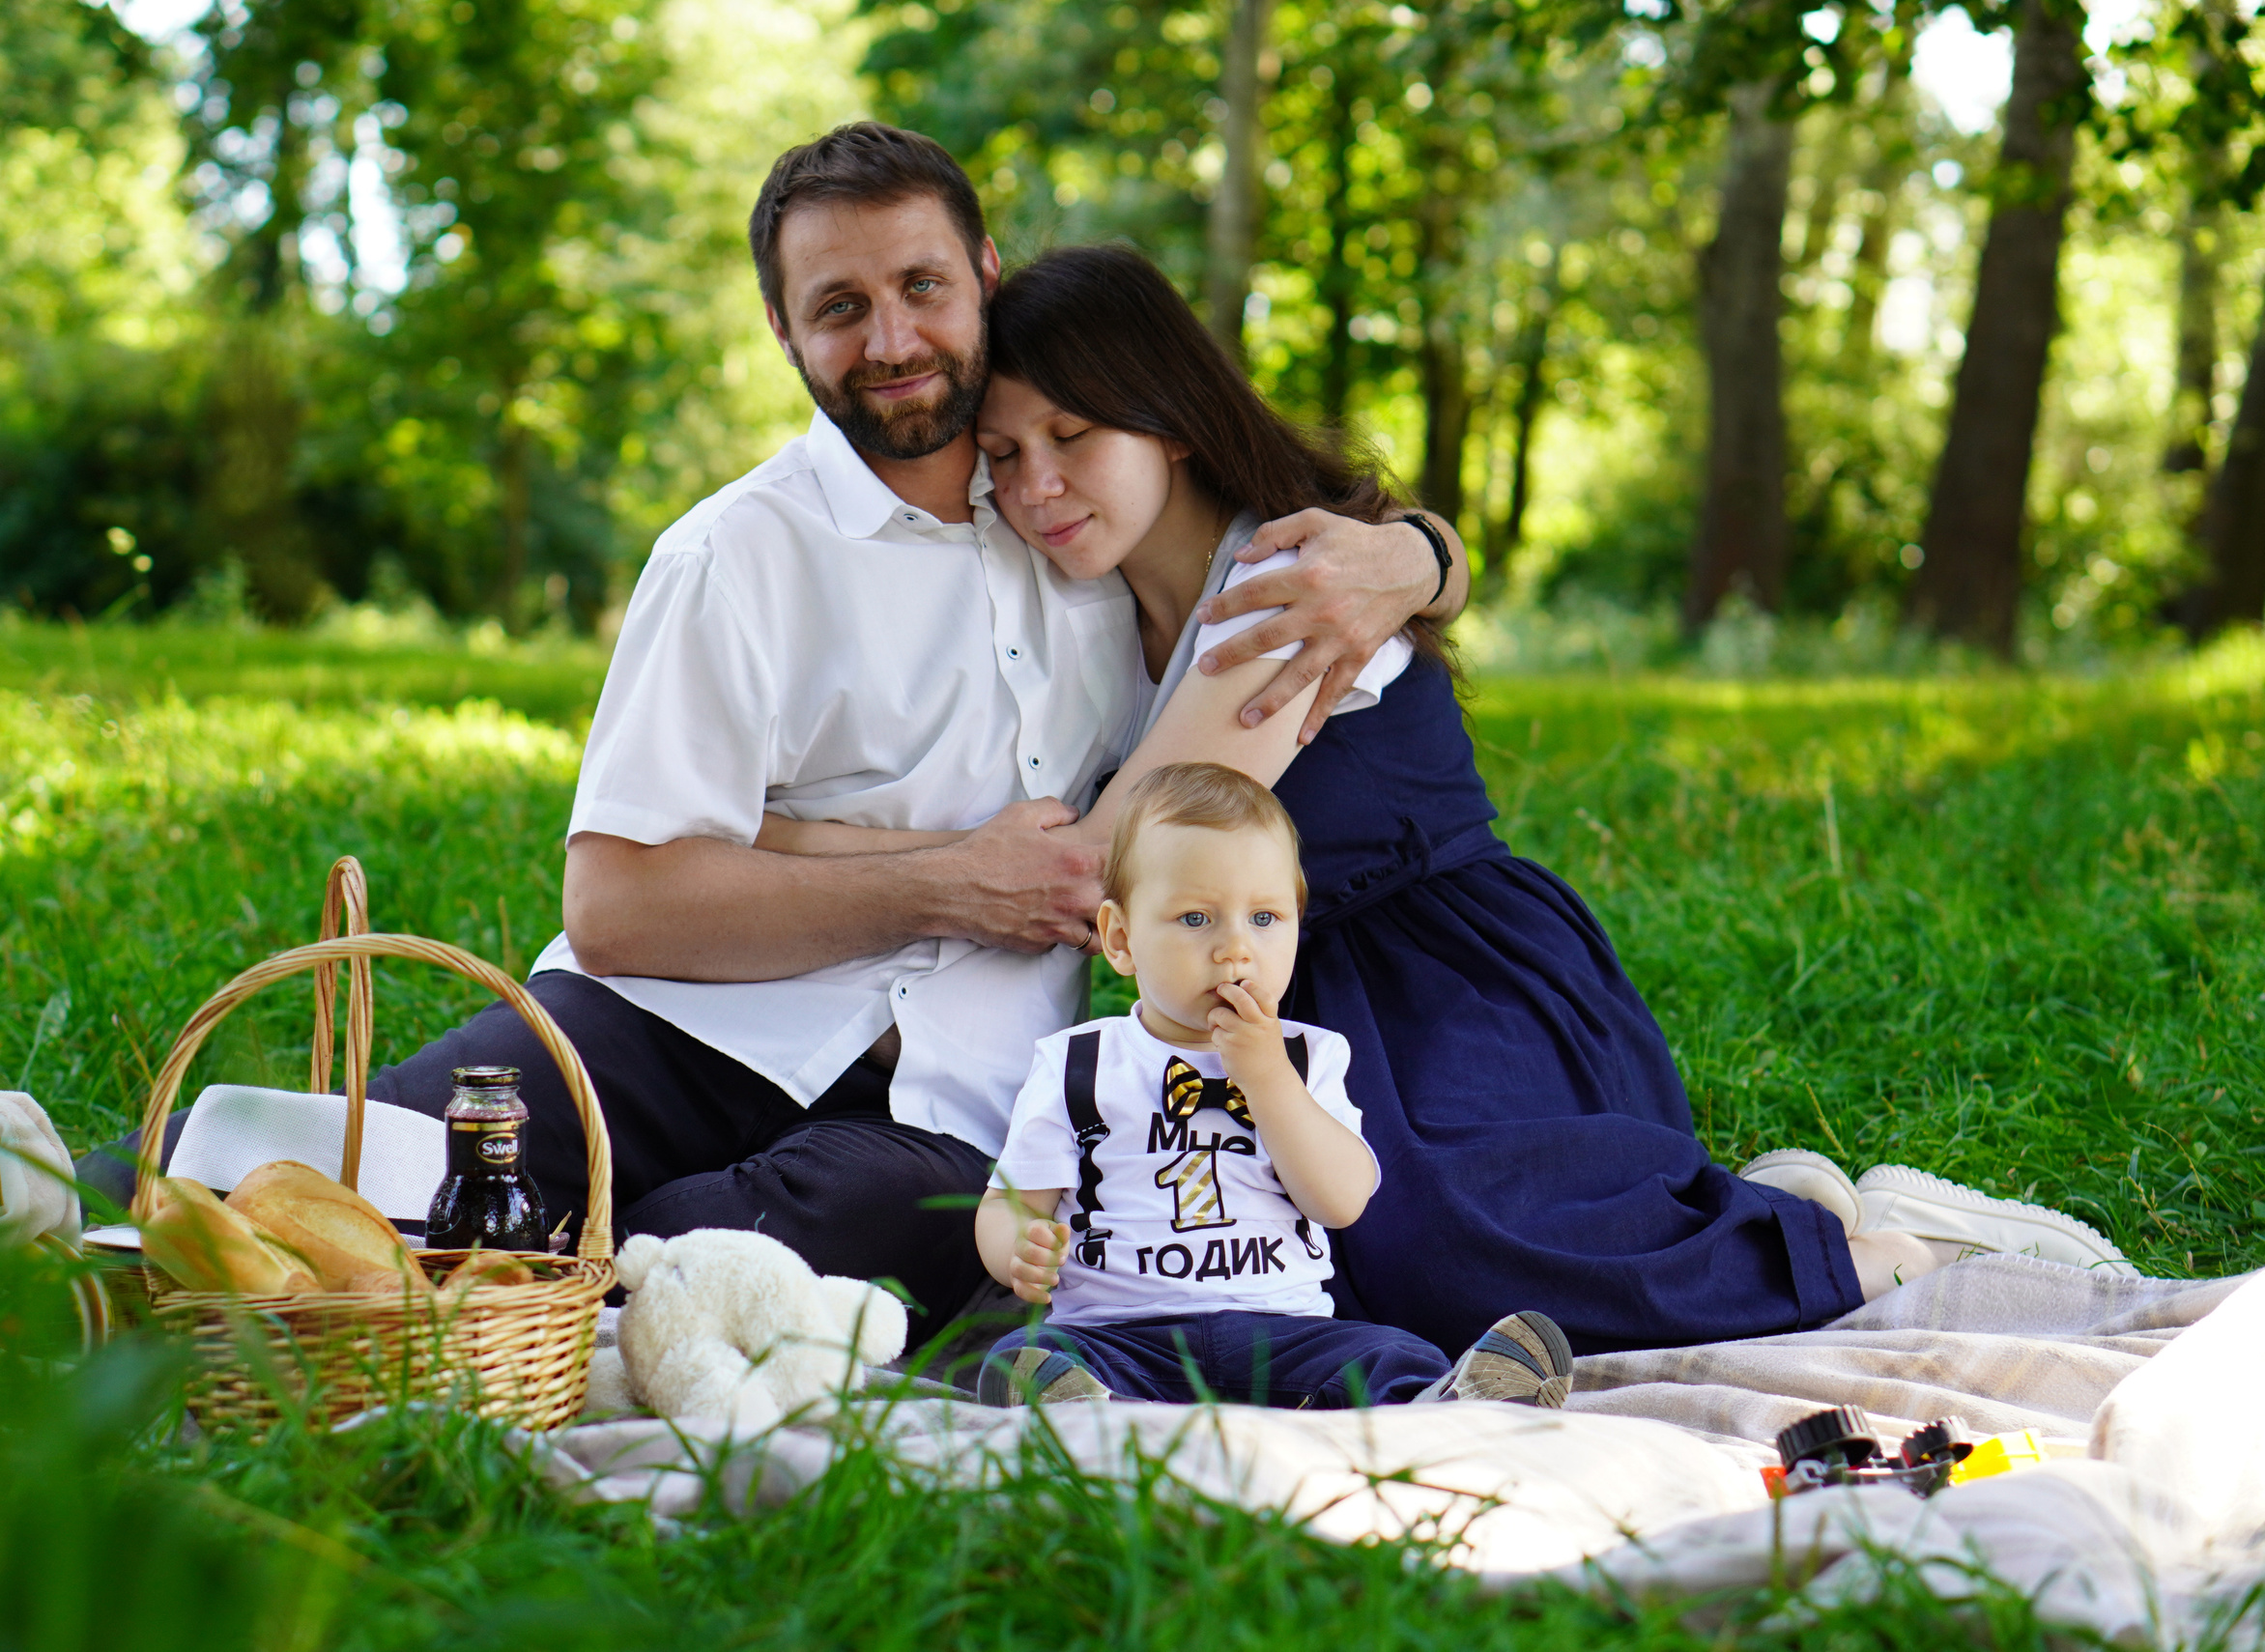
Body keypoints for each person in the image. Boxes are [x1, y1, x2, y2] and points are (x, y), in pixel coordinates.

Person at [81, 126, 1462, 1345]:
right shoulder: (734, 557)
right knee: (330, 1179)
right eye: (839, 306)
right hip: (666, 1023)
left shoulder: (1070, 518)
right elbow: (614, 904)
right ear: (783, 332)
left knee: (736, 1274)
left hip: (938, 1110)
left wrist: (1423, 554)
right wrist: (939, 880)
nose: (894, 338)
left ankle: (527, 1304)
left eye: (921, 286)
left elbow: (1273, 536)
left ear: (985, 275)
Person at [766, 242, 2133, 1359]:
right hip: (1268, 1001)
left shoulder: (1289, 587)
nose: (1037, 481)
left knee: (1412, 1247)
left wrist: (787, 841)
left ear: (1172, 421)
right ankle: (1766, 1210)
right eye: (1003, 454)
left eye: (1073, 433)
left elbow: (1099, 859)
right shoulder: (1082, 625)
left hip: (1456, 982)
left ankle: (1873, 1247)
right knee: (1256, 1272)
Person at [972, 761, 1572, 1409]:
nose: (1236, 949)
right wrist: (1017, 1249)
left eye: (1264, 919)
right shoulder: (1078, 1064)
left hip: (1283, 1333)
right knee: (1026, 1356)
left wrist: (1267, 1078)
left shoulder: (1311, 1057)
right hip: (1120, 1334)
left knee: (1389, 1353)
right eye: (1197, 919)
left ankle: (1461, 1398)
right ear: (1120, 939)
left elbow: (1340, 1201)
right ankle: (1078, 1404)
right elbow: (1010, 1202)